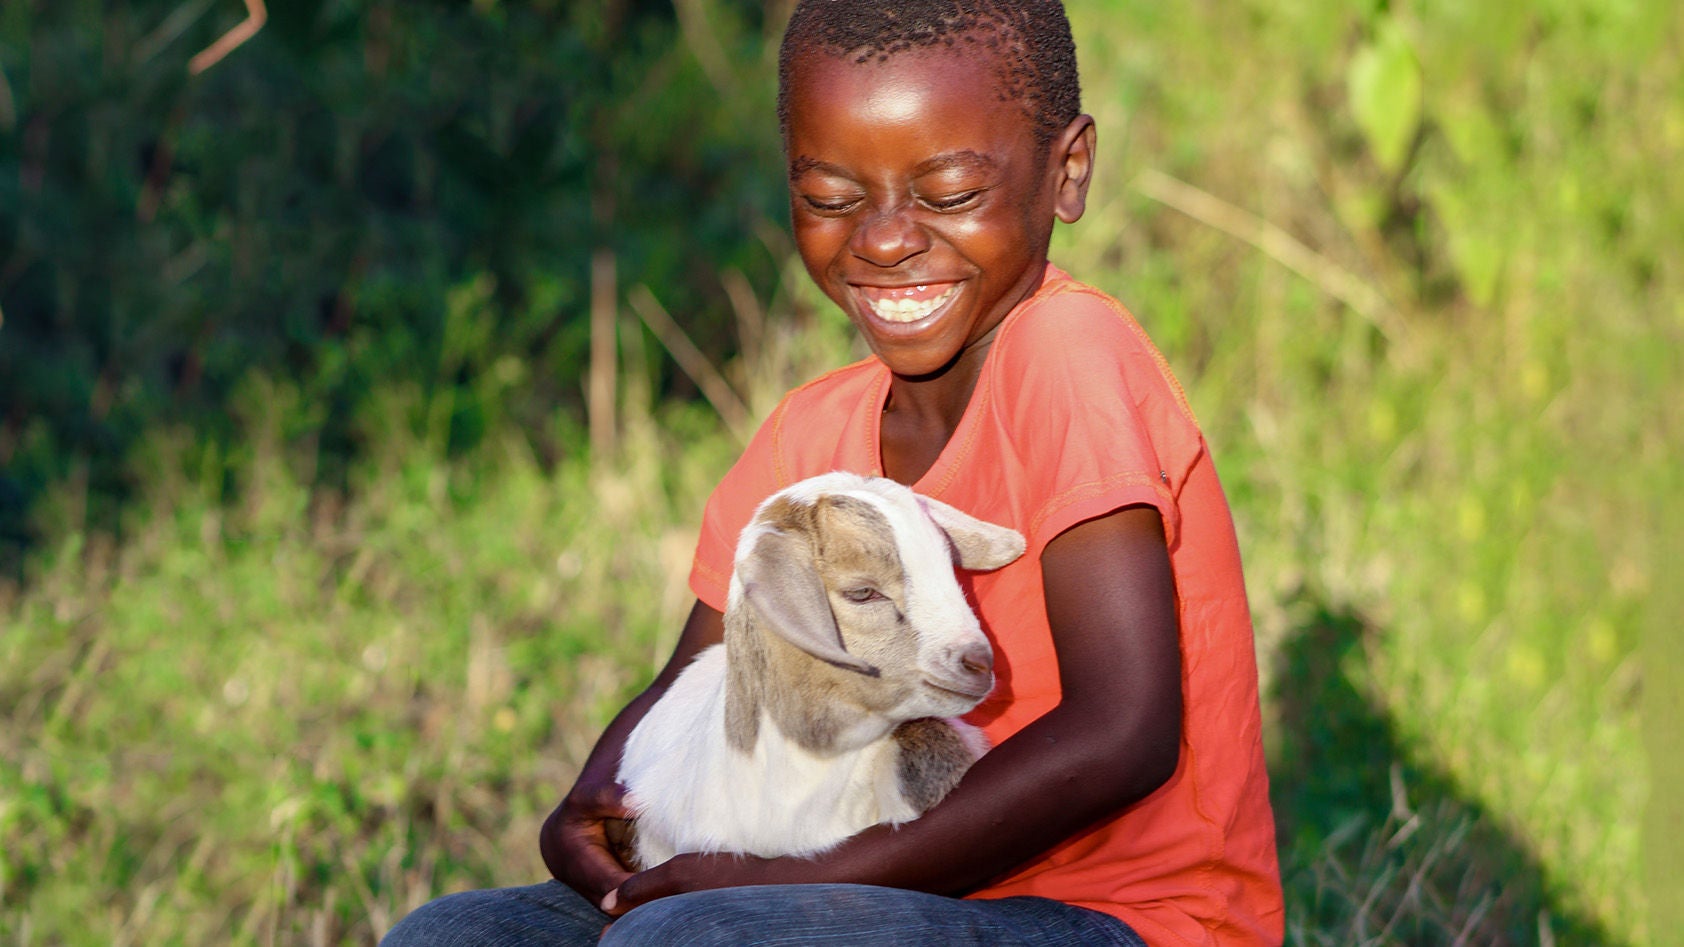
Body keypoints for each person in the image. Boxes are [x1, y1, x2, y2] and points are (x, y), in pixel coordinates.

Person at [382, 1, 1283, 944]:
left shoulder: (1069, 352)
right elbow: (706, 679)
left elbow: (1121, 735)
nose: (886, 238)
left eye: (946, 194)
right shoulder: (808, 434)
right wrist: (594, 812)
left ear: (1068, 170)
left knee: (694, 941)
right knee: (454, 934)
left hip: (1118, 919)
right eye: (832, 198)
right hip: (873, 898)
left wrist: (795, 880)